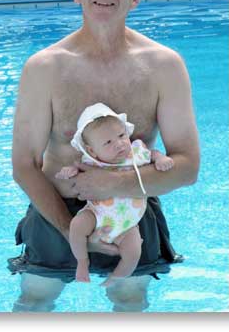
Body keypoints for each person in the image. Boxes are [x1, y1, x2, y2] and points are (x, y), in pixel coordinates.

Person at [10, 0, 200, 312]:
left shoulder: (164, 66)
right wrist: (72, 231)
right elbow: (24, 165)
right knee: (35, 298)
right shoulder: (44, 68)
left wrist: (112, 184)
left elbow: (188, 166)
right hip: (55, 212)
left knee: (130, 299)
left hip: (132, 211)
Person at [55, 103, 174, 286]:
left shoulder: (136, 153)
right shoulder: (93, 161)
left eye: (121, 135)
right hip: (97, 215)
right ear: (93, 151)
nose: (119, 143)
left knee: (134, 252)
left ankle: (116, 277)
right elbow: (76, 168)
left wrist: (161, 159)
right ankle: (82, 261)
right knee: (77, 226)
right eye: (108, 142)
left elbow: (152, 153)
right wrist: (69, 171)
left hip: (128, 224)